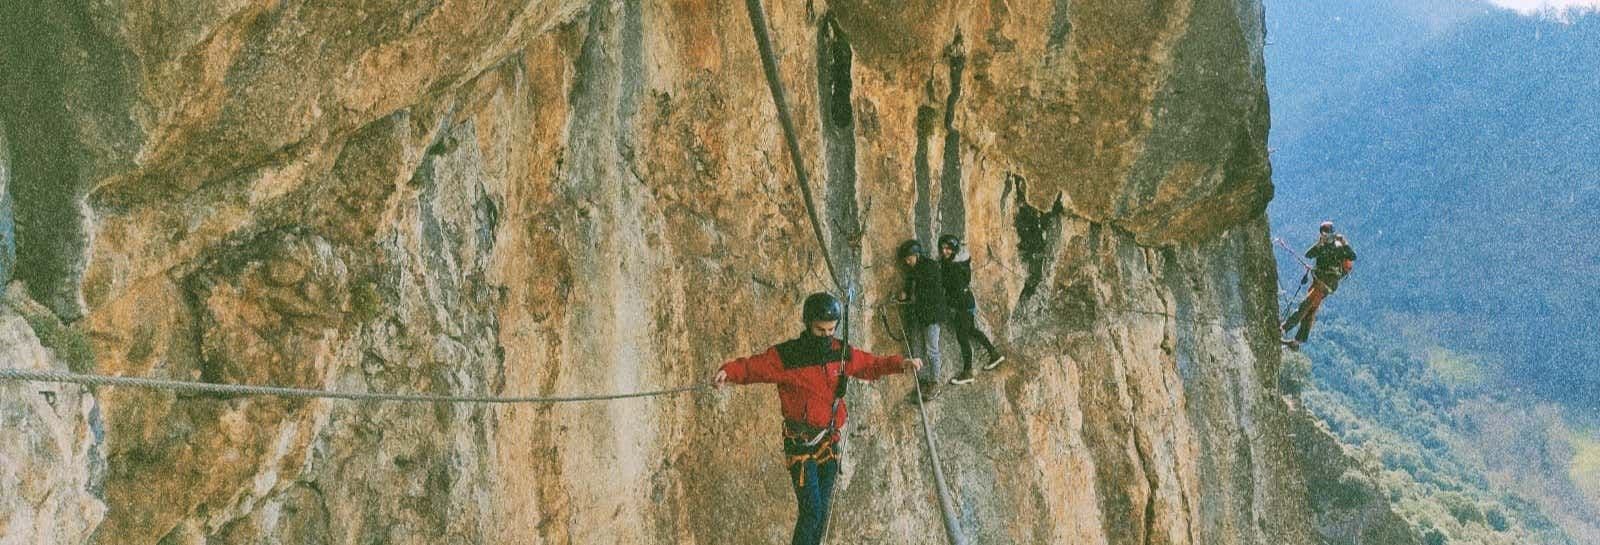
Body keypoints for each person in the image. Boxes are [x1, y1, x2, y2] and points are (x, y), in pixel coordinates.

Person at [713, 293, 922, 545]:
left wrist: (901, 364)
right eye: (820, 330)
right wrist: (728, 372)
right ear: (808, 324)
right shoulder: (788, 356)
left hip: (828, 443)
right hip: (800, 444)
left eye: (831, 330)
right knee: (811, 511)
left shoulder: (840, 353)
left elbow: (870, 365)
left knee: (821, 512)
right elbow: (752, 367)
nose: (826, 335)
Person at [936, 234, 1003, 385]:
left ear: (954, 249)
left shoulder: (954, 267)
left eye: (947, 248)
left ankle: (967, 371)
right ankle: (994, 354)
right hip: (967, 301)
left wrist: (948, 303)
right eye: (942, 248)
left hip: (962, 305)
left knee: (962, 336)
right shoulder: (960, 261)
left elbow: (954, 289)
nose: (944, 251)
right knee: (971, 330)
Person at [1281, 221, 1357, 348]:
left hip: (1325, 283)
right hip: (1324, 283)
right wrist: (1321, 244)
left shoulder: (1338, 247)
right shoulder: (1327, 247)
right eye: (1324, 234)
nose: (1326, 236)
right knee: (1311, 309)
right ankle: (1298, 341)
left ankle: (1284, 328)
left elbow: (1352, 256)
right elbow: (1308, 254)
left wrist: (1343, 243)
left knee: (1305, 305)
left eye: (1327, 234)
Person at [897, 239, 945, 401]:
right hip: (921, 314)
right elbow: (910, 284)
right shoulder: (914, 269)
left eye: (908, 257)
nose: (907, 261)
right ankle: (923, 381)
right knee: (918, 349)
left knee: (932, 349)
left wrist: (911, 296)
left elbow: (930, 292)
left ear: (916, 255)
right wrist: (905, 293)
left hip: (932, 315)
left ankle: (935, 382)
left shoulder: (930, 267)